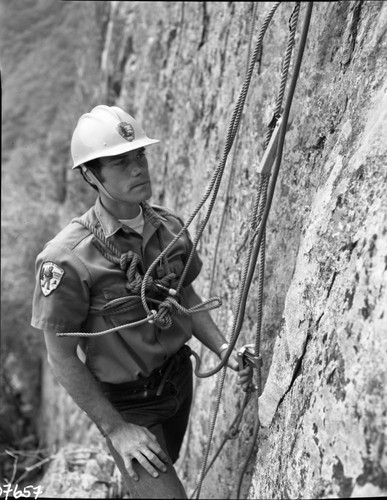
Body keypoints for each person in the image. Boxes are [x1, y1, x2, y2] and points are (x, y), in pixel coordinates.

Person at [31, 105, 252, 499]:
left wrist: (223, 347)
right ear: (91, 175)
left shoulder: (168, 227)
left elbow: (183, 295)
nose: (138, 169)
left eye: (140, 156)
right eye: (120, 162)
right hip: (128, 404)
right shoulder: (66, 260)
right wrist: (116, 430)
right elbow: (61, 357)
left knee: (166, 467)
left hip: (178, 380)